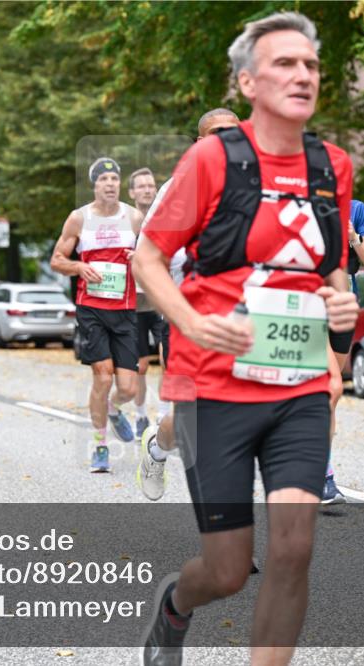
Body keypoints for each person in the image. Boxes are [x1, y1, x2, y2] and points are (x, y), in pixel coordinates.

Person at [133, 12, 359, 666]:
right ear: (248, 82)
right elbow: (147, 257)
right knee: (229, 569)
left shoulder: (331, 166)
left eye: (311, 64)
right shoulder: (211, 159)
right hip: (214, 384)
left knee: (292, 549)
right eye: (284, 63)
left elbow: (326, 266)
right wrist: (190, 320)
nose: (302, 75)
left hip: (298, 386)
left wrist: (339, 312)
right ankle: (175, 608)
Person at [136, 108, 241, 502]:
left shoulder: (259, 190)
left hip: (241, 326)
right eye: (215, 133)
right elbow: (146, 261)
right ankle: (157, 447)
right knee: (190, 422)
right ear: (199, 142)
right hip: (186, 321)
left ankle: (228, 535)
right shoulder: (180, 187)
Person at [50, 157, 144, 472]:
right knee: (102, 375)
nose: (109, 184)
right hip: (92, 309)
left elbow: (153, 256)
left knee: (129, 387)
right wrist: (78, 266)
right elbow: (57, 260)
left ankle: (116, 409)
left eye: (114, 179)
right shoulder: (79, 219)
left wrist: (139, 258)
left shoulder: (134, 218)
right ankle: (100, 445)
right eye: (103, 180)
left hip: (126, 309)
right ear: (94, 185)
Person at [321, 198, 364, 504]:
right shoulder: (302, 204)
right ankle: (323, 476)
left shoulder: (356, 210)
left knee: (327, 398)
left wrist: (353, 239)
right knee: (330, 389)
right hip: (310, 307)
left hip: (344, 309)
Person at [127, 167, 170, 439]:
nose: (147, 189)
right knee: (141, 365)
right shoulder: (124, 221)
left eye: (151, 185)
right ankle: (141, 414)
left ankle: (163, 414)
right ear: (132, 192)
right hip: (134, 301)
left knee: (169, 358)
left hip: (160, 298)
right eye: (141, 186)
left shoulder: (167, 218)